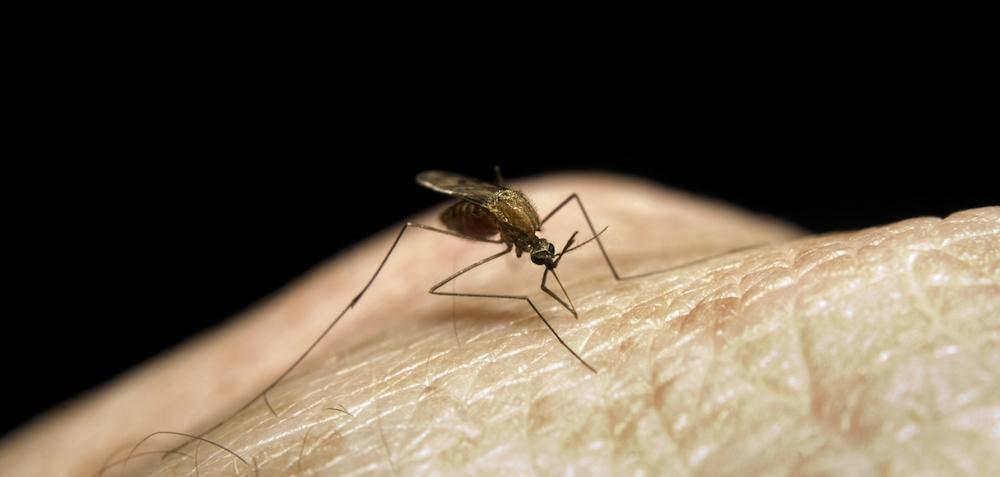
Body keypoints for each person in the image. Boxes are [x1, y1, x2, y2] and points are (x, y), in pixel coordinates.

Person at [1, 173, 996, 476]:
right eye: (543, 256)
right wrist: (538, 282)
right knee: (457, 243)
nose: (548, 258)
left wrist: (600, 285)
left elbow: (543, 228)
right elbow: (475, 210)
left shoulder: (546, 230)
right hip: (476, 211)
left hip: (506, 205)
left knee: (577, 212)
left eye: (545, 254)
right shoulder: (505, 236)